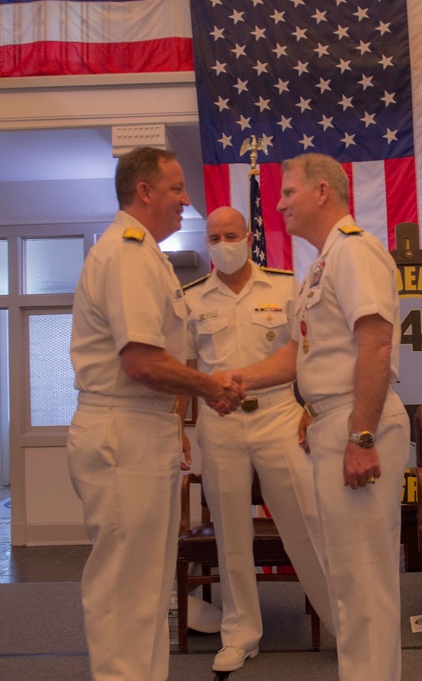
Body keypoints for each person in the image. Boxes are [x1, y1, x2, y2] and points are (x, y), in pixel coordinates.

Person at [67, 147, 243, 681]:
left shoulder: (144, 254)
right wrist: (209, 387)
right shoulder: (125, 254)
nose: (187, 201)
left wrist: (174, 415)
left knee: (146, 588)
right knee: (125, 589)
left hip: (145, 425)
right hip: (124, 429)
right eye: (176, 189)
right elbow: (141, 361)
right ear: (144, 191)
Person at [236, 153, 409, 680]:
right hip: (334, 422)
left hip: (358, 423)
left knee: (363, 580)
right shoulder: (323, 262)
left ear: (322, 193)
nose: (281, 203)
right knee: (349, 579)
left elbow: (376, 346)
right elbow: (300, 354)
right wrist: (236, 380)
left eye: (289, 192)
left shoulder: (355, 253)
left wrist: (360, 434)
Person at [179, 206, 335, 673]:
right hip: (219, 424)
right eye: (214, 237)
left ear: (249, 237)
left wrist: (313, 409)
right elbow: (187, 370)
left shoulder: (286, 286)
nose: (223, 244)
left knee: (306, 523)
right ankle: (241, 634)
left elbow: (307, 354)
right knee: (231, 534)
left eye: (231, 234)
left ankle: (343, 625)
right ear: (206, 242)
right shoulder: (190, 298)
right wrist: (177, 430)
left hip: (278, 417)